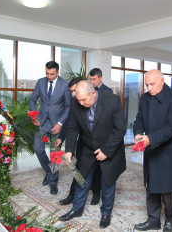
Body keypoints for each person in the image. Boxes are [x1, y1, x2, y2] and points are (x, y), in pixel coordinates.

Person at [59, 80, 126, 229]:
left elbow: (120, 129)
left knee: (107, 182)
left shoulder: (112, 101)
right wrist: (69, 150)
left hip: (109, 146)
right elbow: (72, 128)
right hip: (88, 147)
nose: (81, 103)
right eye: (79, 99)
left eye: (84, 99)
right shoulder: (75, 103)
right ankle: (76, 209)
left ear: (93, 93)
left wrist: (106, 151)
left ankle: (106, 213)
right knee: (81, 179)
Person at [133, 69, 172, 232]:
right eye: (146, 84)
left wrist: (150, 139)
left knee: (167, 189)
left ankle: (171, 219)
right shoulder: (145, 98)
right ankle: (153, 219)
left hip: (168, 150)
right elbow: (139, 119)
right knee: (151, 186)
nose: (149, 88)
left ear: (163, 81)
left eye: (152, 84)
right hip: (151, 148)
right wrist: (138, 133)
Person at [29, 61, 72, 195]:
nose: (48, 76)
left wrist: (60, 123)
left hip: (56, 124)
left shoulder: (64, 85)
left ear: (57, 73)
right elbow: (32, 100)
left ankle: (53, 183)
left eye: (51, 74)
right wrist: (33, 115)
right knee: (37, 148)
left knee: (54, 153)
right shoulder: (40, 82)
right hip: (42, 122)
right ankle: (49, 172)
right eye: (47, 73)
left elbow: (69, 106)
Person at [54, 77, 86, 205]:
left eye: (74, 91)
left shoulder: (93, 99)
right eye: (72, 91)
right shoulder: (74, 102)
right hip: (83, 142)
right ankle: (71, 196)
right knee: (78, 169)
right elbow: (69, 123)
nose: (73, 94)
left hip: (99, 143)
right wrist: (61, 138)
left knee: (99, 171)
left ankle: (95, 194)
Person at [88, 67, 113, 204]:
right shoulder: (88, 91)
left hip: (104, 134)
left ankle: (105, 193)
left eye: (94, 79)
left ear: (100, 78)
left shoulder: (108, 91)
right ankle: (95, 193)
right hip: (91, 135)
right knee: (94, 167)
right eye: (90, 79)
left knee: (104, 167)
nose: (92, 82)